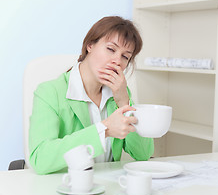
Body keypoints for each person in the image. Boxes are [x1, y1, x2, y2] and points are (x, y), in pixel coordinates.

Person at [29, 16, 154, 175]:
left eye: (125, 56)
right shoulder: (50, 92)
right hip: (67, 188)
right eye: (110, 49)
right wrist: (104, 129)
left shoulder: (121, 94)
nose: (117, 61)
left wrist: (124, 102)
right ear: (90, 45)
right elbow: (40, 159)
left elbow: (143, 154)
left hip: (107, 189)